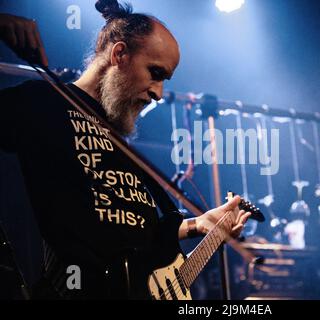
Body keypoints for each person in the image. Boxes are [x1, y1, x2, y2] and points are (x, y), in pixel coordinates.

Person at [0, 0, 251, 299]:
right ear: (119, 54)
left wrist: (198, 224)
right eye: (155, 73)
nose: (159, 93)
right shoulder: (41, 103)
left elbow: (133, 237)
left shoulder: (120, 143)